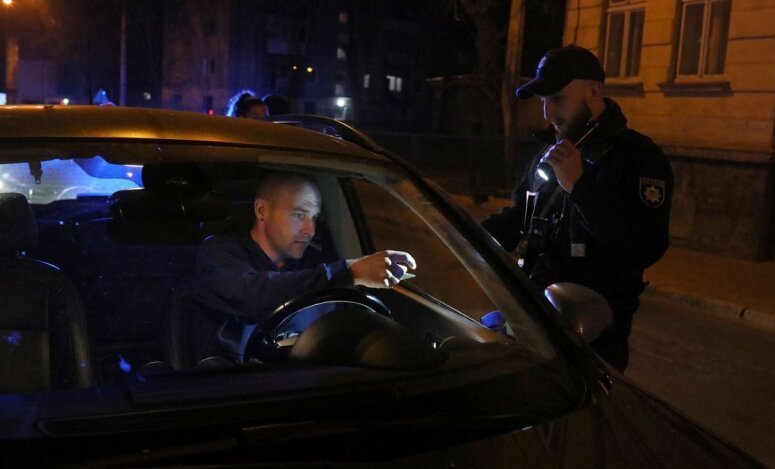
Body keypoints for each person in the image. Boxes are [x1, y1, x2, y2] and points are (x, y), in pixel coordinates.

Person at [482, 45, 673, 371]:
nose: (548, 113)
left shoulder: (637, 157)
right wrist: (458, 234)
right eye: (544, 100)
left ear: (594, 92)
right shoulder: (553, 150)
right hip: (533, 318)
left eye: (557, 99)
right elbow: (519, 217)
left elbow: (645, 245)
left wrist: (579, 187)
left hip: (592, 340)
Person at [191, 171, 416, 364]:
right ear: (261, 211)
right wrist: (349, 271)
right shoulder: (218, 254)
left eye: (314, 218)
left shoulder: (315, 262)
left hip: (306, 382)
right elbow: (250, 294)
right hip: (237, 386)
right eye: (299, 215)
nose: (310, 230)